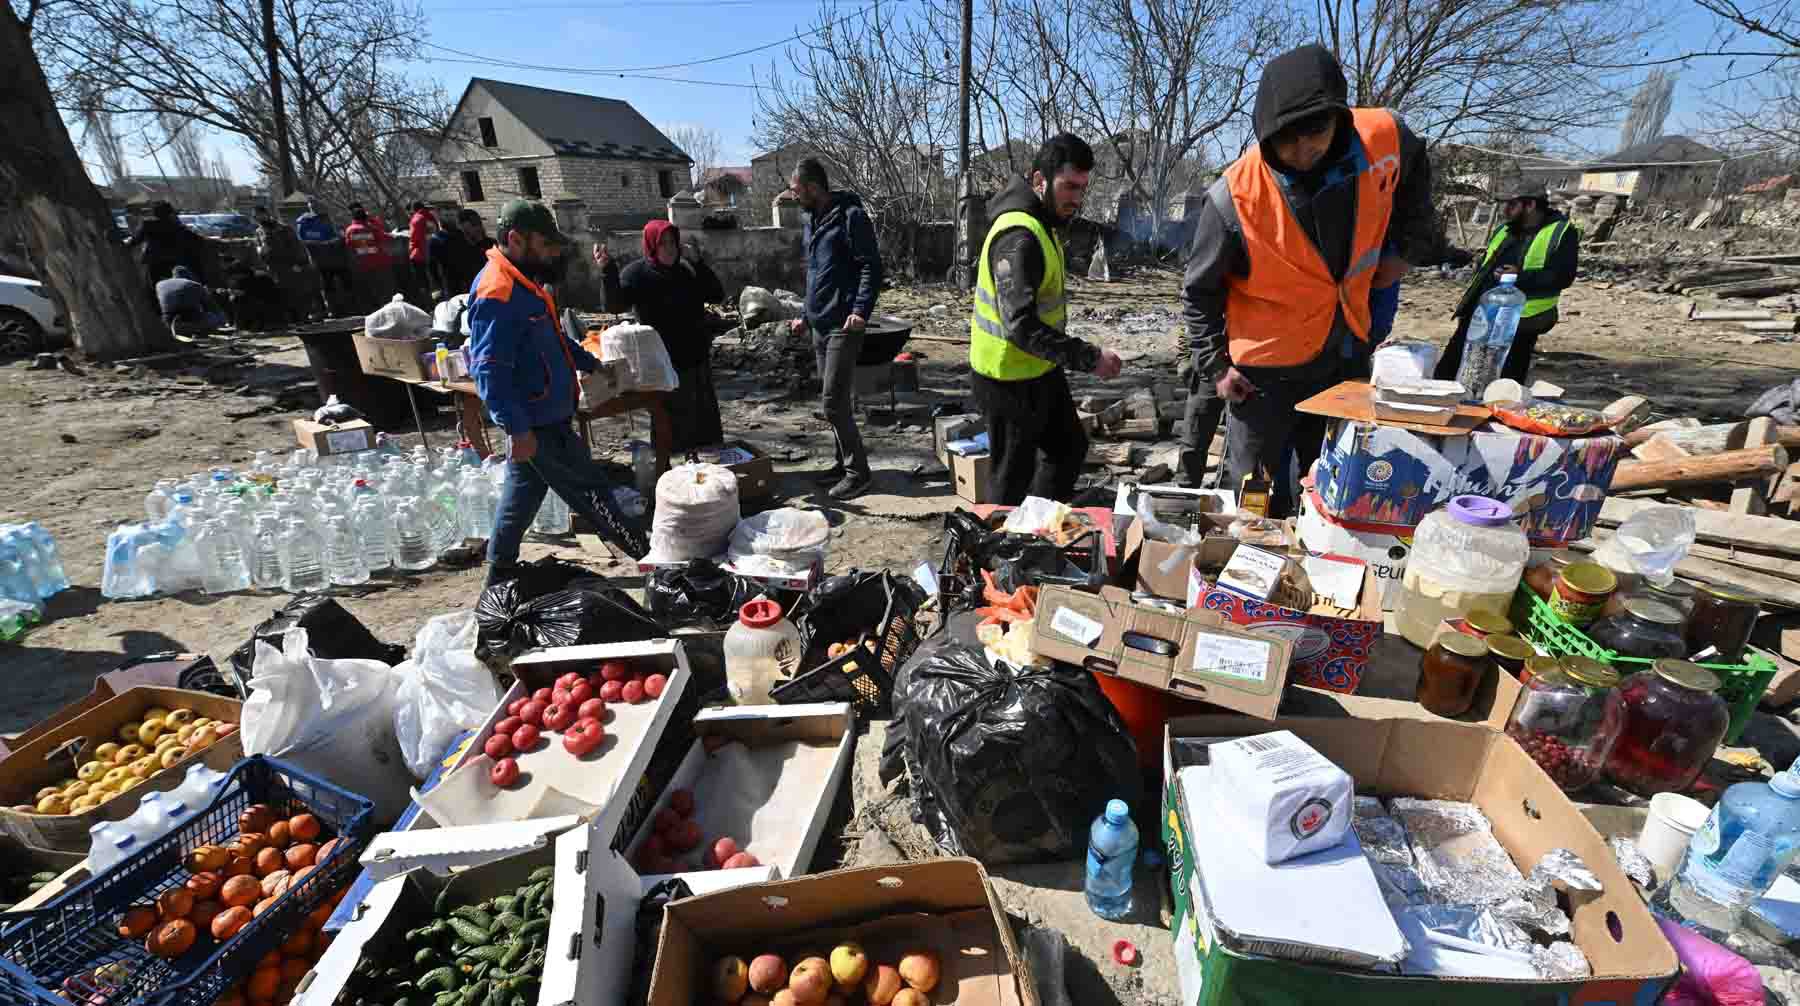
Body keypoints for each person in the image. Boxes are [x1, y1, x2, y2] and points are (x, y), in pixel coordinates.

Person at [1182, 43, 1437, 517]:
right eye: (1286, 139)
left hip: (1344, 354)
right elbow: (1199, 293)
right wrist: (1217, 368)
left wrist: (1406, 248)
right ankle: (1254, 560)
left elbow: (1416, 185)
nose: (1303, 151)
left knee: (1330, 478)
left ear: (1340, 117)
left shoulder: (1385, 137)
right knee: (1253, 490)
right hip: (1262, 376)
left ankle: (1315, 563)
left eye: (1316, 132)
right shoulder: (1232, 199)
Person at [467, 199, 649, 585]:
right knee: (594, 492)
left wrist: (588, 362)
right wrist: (517, 429)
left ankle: (499, 573)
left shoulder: (525, 284)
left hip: (543, 417)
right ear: (516, 240)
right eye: (546, 245)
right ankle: (651, 559)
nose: (553, 253)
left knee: (521, 498)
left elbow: (551, 340)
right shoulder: (497, 292)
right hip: (537, 423)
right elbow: (488, 370)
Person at [968, 134, 1124, 505]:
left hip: (1038, 368)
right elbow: (1020, 325)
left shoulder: (1042, 221)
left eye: (1082, 188)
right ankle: (999, 550)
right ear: (1040, 180)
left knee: (1068, 447)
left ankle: (1038, 529)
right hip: (1006, 378)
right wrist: (1089, 357)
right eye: (1069, 186)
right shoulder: (1019, 236)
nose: (1077, 198)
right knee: (1010, 482)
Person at [787, 157, 881, 501]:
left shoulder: (851, 217)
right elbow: (815, 274)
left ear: (813, 188)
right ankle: (843, 464)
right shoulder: (812, 220)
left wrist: (860, 310)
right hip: (820, 322)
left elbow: (870, 266)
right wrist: (805, 313)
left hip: (844, 322)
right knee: (833, 401)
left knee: (833, 403)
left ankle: (859, 474)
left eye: (798, 191)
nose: (795, 197)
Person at [593, 220, 727, 452]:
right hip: (661, 361)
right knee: (671, 422)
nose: (669, 248)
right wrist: (607, 270)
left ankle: (709, 467)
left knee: (703, 420)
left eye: (672, 242)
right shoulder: (637, 274)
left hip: (695, 357)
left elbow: (716, 295)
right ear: (652, 245)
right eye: (662, 243)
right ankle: (673, 473)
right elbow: (614, 304)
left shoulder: (686, 270)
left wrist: (698, 262)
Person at [1433, 177, 1578, 386]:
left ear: (1530, 205)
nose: (1505, 210)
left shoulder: (1561, 232)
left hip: (1521, 320)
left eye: (1511, 205)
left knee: (1504, 381)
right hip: (1481, 310)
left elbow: (1563, 276)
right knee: (1450, 370)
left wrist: (1519, 277)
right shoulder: (1505, 229)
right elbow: (1485, 266)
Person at [125, 201, 204, 312]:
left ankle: (158, 310)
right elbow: (196, 240)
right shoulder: (176, 226)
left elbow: (135, 240)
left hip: (154, 261)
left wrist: (125, 244)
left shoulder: (149, 225)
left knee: (153, 289)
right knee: (175, 287)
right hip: (174, 262)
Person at [255, 207, 320, 321]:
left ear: (267, 214)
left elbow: (296, 246)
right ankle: (293, 319)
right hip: (275, 268)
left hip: (291, 265)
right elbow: (260, 250)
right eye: (256, 216)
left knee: (299, 292)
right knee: (284, 294)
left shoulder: (283, 228)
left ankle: (305, 317)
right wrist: (261, 252)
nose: (258, 218)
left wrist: (299, 263)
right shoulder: (259, 232)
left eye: (260, 215)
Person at [295, 202, 353, 314]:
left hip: (335, 258)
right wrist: (324, 243)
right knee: (328, 286)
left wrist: (334, 240)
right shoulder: (305, 222)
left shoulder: (328, 219)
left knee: (342, 283)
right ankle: (334, 310)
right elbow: (303, 241)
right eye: (314, 206)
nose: (317, 209)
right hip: (322, 260)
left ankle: (346, 308)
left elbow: (339, 236)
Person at [428, 209, 495, 300]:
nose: (477, 228)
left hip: (488, 290)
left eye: (477, 224)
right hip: (460, 293)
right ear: (461, 226)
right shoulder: (450, 245)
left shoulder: (490, 244)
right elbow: (435, 267)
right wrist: (437, 288)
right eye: (473, 225)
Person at [343, 203, 396, 311]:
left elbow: (350, 247)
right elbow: (385, 238)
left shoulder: (349, 230)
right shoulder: (371, 228)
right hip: (380, 263)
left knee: (371, 291)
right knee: (385, 290)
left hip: (363, 265)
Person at [155, 265, 225, 328]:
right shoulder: (194, 284)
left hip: (169, 322)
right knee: (216, 316)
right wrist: (206, 293)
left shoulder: (159, 284)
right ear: (188, 275)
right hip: (190, 320)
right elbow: (210, 306)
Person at [406, 201, 440, 304]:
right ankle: (439, 300)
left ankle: (430, 303)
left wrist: (410, 251)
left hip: (420, 255)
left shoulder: (416, 219)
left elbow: (413, 238)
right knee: (435, 279)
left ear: (413, 209)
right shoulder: (431, 217)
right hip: (433, 251)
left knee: (424, 282)